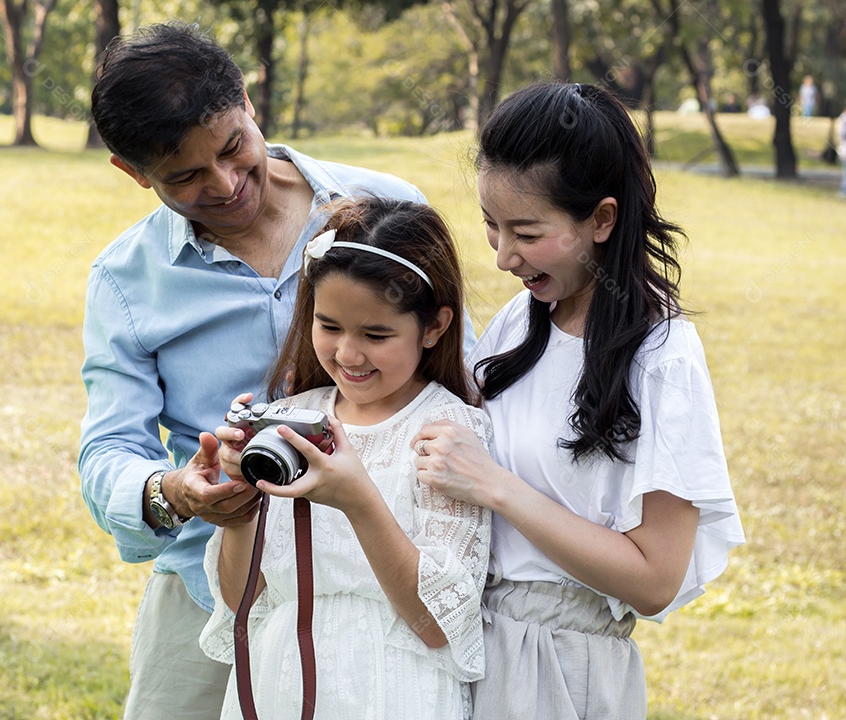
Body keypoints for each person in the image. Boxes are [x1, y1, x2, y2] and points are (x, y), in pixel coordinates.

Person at [79, 23, 429, 720]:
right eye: (185, 176)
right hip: (210, 592)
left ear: (247, 98)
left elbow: (461, 378)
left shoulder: (387, 209)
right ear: (133, 172)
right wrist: (175, 492)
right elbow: (108, 451)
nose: (228, 183)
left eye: (235, 147)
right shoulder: (125, 280)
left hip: (377, 585)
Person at [411, 83, 746, 720]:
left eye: (527, 232)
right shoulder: (522, 319)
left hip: (563, 670)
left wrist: (498, 488)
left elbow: (654, 580)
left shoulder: (662, 356)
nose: (504, 255)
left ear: (602, 219)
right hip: (468, 647)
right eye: (491, 224)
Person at [201, 196, 493, 719]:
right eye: (329, 326)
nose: (348, 354)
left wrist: (358, 500)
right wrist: (242, 495)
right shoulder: (290, 419)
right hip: (281, 683)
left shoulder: (448, 434)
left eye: (376, 335)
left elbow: (436, 622)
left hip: (395, 691)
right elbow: (243, 598)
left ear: (434, 326)